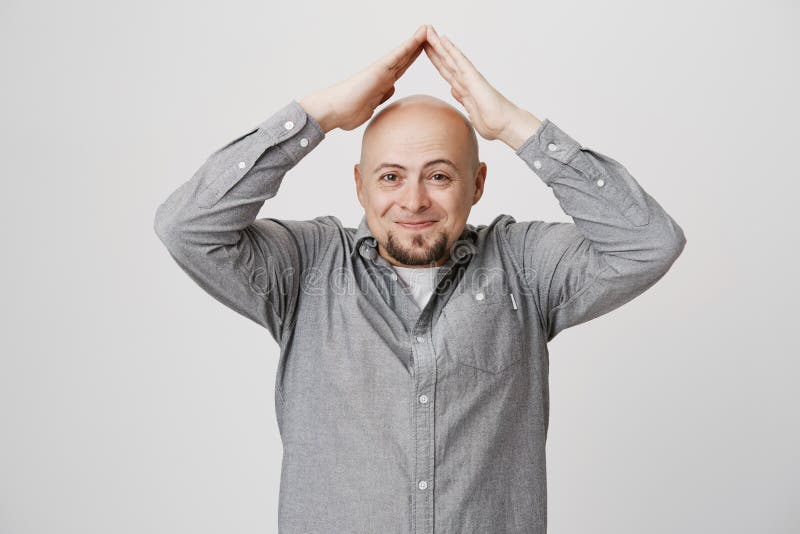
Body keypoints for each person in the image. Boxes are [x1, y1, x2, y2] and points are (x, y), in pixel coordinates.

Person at [154, 24, 686, 534]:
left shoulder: (523, 267)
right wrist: (319, 115)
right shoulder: (306, 268)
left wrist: (513, 126)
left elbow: (648, 242)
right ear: (360, 186)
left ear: (476, 184)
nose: (413, 201)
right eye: (391, 177)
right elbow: (188, 227)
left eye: (438, 175)